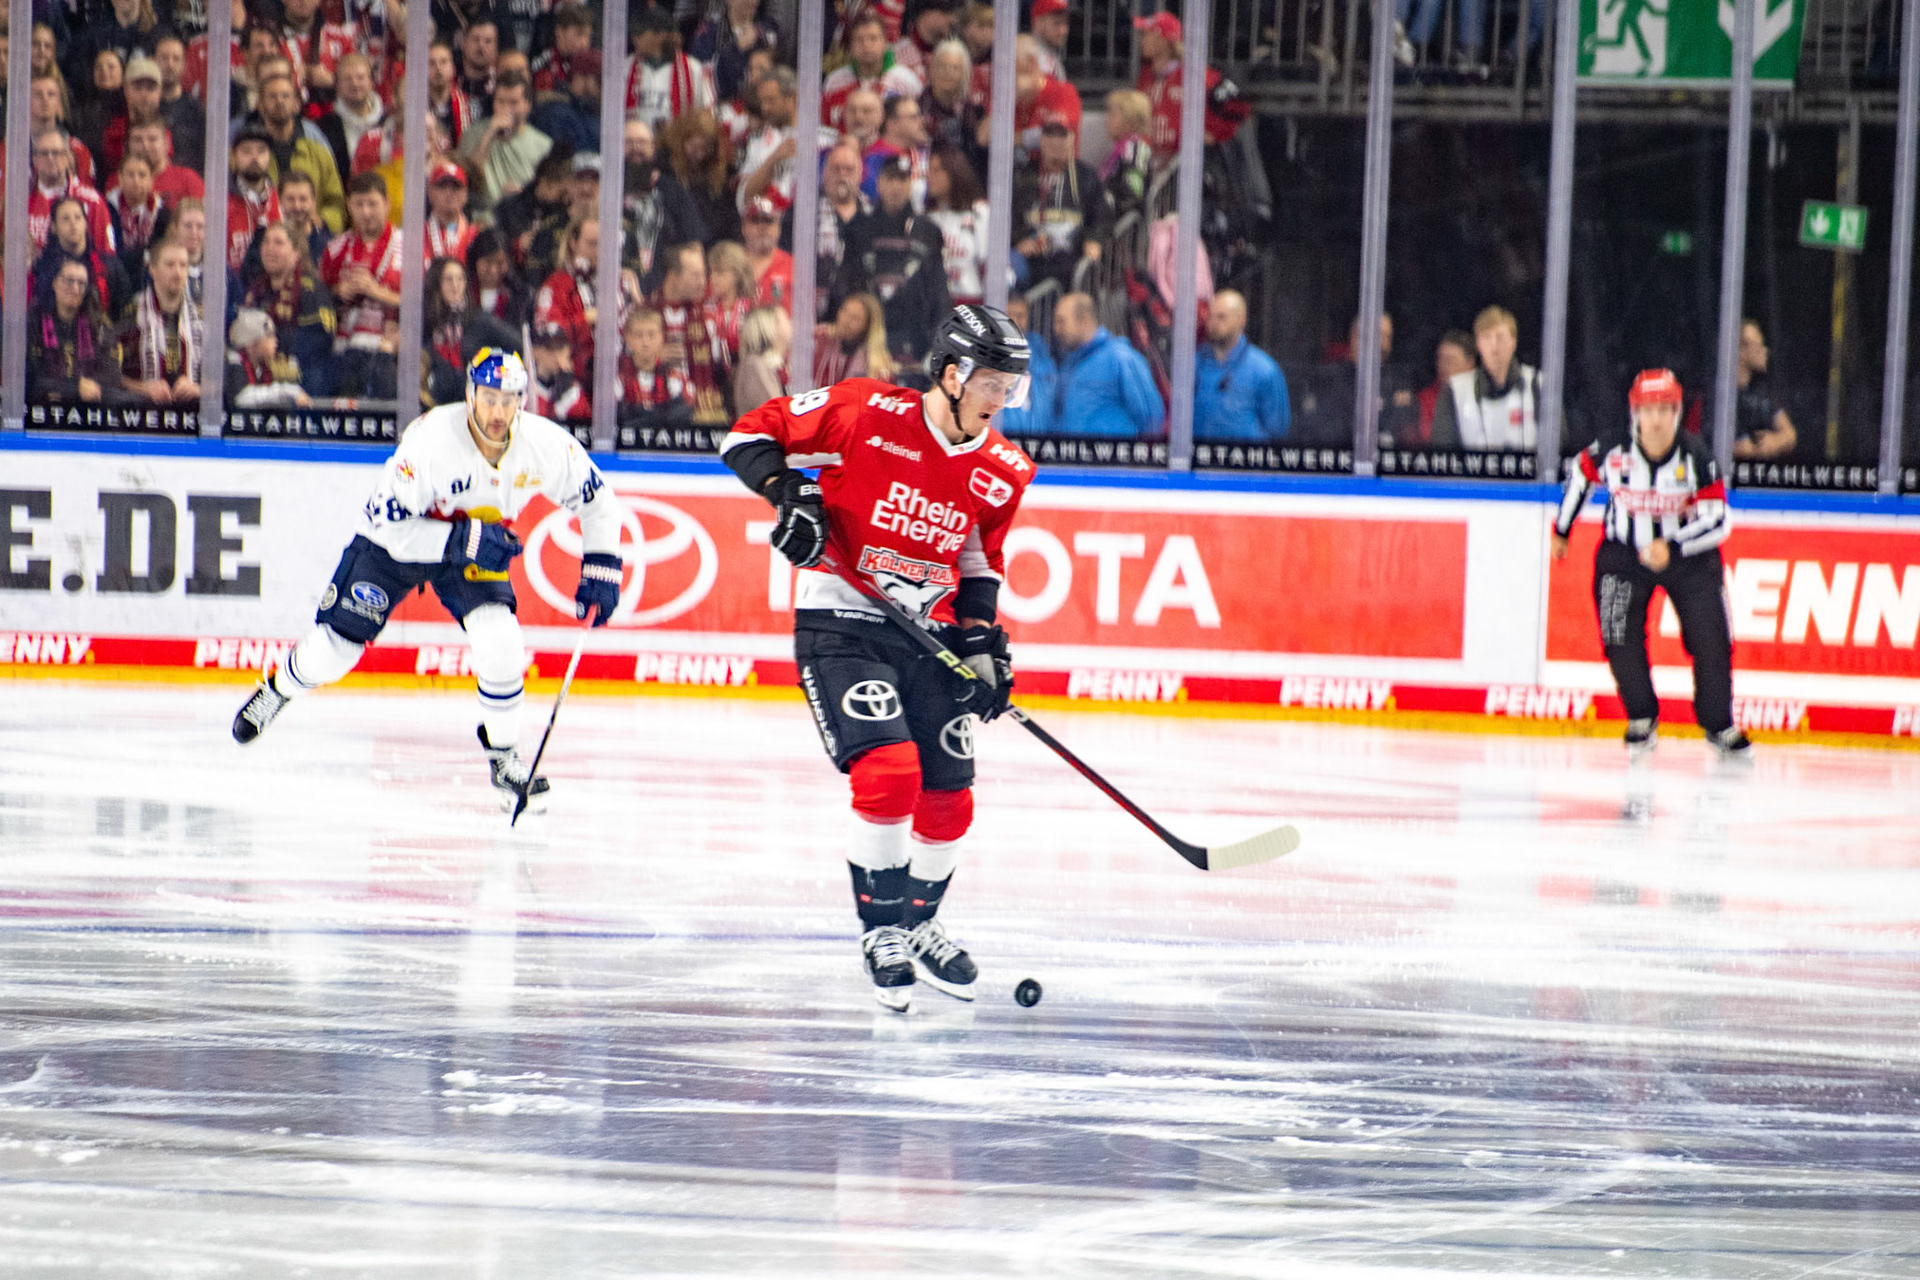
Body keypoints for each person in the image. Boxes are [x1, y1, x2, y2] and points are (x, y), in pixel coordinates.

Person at [719, 303, 1037, 1011]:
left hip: (926, 633)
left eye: (1011, 388)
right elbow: (746, 435)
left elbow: (979, 555)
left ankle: (920, 924)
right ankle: (881, 931)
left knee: (951, 798)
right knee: (891, 771)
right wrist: (791, 495)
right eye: (992, 384)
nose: (1002, 401)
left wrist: (981, 638)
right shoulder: (865, 411)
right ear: (952, 376)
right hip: (843, 619)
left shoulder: (1004, 469)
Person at [232, 348, 626, 815]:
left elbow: (599, 502)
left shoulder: (544, 445)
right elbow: (394, 529)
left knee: (501, 641)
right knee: (334, 650)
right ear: (469, 394)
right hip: (396, 545)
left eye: (509, 399)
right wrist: (465, 539)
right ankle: (279, 690)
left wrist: (602, 566)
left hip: (472, 546)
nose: (499, 412)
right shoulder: (430, 443)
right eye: (489, 398)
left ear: (522, 400)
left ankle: (504, 759)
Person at [1552, 368, 1747, 756]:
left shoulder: (1697, 458)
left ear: (1676, 413)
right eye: (1647, 410)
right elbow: (1580, 474)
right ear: (1634, 413)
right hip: (1623, 554)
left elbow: (1719, 520)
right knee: (1618, 633)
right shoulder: (1612, 450)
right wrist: (1562, 528)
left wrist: (1672, 547)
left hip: (1688, 557)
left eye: (1664, 410)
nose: (1655, 420)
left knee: (1712, 639)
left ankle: (1719, 723)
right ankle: (1641, 715)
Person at [835, 154, 951, 367]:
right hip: (865, 343)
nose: (896, 187)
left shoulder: (928, 231)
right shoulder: (858, 228)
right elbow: (845, 285)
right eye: (890, 179)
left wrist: (939, 347)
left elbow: (939, 293)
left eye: (902, 180)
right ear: (878, 183)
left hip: (915, 344)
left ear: (911, 185)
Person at [320, 171, 402, 398]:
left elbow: (423, 303)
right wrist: (337, 292)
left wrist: (377, 292)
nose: (366, 212)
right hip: (344, 352)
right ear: (349, 206)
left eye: (373, 204)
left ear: (387, 204)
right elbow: (317, 297)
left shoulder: (408, 247)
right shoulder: (335, 248)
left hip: (390, 351)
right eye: (359, 204)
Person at [1132, 12, 1248, 157]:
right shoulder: (1146, 76)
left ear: (1162, 40)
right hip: (1154, 160)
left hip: (1188, 163)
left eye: (1146, 34)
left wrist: (1214, 135)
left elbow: (1239, 106)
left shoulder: (1195, 75)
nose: (1141, 40)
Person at [1011, 121, 1108, 293]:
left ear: (1071, 146)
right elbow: (1010, 215)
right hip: (1033, 255)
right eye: (1052, 150)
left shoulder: (1086, 176)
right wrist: (1020, 239)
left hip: (1072, 255)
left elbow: (1100, 215)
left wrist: (1093, 239)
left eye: (1063, 150)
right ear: (1042, 144)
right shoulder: (1023, 176)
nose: (1058, 157)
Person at [1050, 291, 1163, 437]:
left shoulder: (1121, 358)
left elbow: (1151, 416)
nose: (1056, 329)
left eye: (1061, 321)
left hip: (1113, 458)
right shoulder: (1069, 364)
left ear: (1085, 321)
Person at [242, 219, 336, 393]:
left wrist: (273, 343)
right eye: (266, 242)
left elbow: (320, 340)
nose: (270, 248)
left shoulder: (311, 290)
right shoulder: (255, 291)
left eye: (278, 243)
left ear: (297, 251)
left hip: (303, 380)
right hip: (260, 380)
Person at [246, 72, 345, 234]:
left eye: (285, 96)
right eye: (272, 96)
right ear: (260, 105)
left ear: (297, 104)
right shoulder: (245, 155)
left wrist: (322, 221)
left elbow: (337, 203)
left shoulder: (318, 153)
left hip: (313, 240)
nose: (279, 101)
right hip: (263, 239)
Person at [1430, 305, 1540, 451]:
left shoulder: (1538, 384)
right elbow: (1443, 453)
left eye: (1500, 337)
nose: (1494, 345)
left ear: (1513, 341)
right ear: (1478, 344)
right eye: (1486, 337)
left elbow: (1559, 446)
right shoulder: (1455, 390)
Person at [28, 256, 130, 405]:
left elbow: (111, 378)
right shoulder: (33, 321)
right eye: (69, 280)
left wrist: (85, 389)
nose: (75, 289)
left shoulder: (99, 324)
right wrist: (73, 388)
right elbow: (29, 378)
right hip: (42, 412)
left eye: (81, 283)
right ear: (55, 283)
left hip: (89, 412)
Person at [1193, 290, 1289, 441]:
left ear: (1241, 320)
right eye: (1210, 316)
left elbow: (1277, 430)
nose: (1213, 323)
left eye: (1221, 317)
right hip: (1197, 459)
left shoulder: (1264, 369)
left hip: (1242, 461)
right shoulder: (1193, 363)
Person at [460, 69, 550, 227]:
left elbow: (548, 193)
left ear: (527, 105)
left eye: (513, 102)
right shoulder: (473, 134)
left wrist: (522, 196)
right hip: (482, 220)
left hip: (523, 220)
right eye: (500, 101)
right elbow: (469, 177)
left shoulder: (544, 145)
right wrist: (489, 136)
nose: (506, 109)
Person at [120, 237, 203, 406]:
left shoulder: (202, 320)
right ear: (152, 269)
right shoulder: (131, 316)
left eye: (183, 265)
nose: (178, 272)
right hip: (142, 416)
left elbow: (223, 379)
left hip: (192, 419)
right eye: (170, 265)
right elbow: (109, 376)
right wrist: (143, 388)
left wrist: (198, 389)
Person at [35, 195, 133, 319]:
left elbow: (125, 311)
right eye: (65, 219)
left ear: (86, 223)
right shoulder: (44, 268)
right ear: (53, 227)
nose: (73, 224)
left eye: (78, 217)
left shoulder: (109, 265)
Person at [821, 11, 922, 131]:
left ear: (885, 43)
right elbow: (824, 126)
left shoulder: (906, 81)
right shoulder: (835, 81)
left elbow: (917, 127)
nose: (866, 45)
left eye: (873, 38)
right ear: (850, 46)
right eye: (859, 39)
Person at [624, 4, 715, 133]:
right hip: (636, 144)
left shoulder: (692, 68)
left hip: (677, 146)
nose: (634, 39)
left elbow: (707, 111)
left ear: (660, 35)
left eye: (640, 34)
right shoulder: (625, 67)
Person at [532, 216, 601, 385]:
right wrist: (585, 320)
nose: (597, 251)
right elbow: (546, 333)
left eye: (602, 244)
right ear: (573, 242)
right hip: (572, 378)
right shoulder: (556, 284)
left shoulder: (616, 283)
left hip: (611, 377)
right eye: (591, 244)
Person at [28, 125, 116, 256]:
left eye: (56, 153)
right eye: (44, 153)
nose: (50, 158)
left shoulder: (91, 201)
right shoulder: (19, 199)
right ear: (34, 159)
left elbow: (106, 258)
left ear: (67, 157)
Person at [661, 108, 740, 247]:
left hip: (716, 244)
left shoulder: (723, 172)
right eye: (694, 147)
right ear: (681, 141)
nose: (699, 155)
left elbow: (728, 218)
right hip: (679, 244)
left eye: (705, 148)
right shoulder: (665, 168)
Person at [924, 145, 988, 305]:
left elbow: (989, 265)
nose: (929, 176)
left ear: (954, 172)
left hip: (970, 304)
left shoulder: (979, 212)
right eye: (929, 170)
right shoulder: (925, 217)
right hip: (933, 305)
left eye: (937, 170)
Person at [1729, 319, 1799, 461]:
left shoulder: (1760, 392)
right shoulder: (1723, 396)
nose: (1765, 351)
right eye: (1759, 345)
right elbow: (1743, 449)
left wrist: (1775, 441)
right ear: (1741, 351)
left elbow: (1790, 433)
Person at [616, 308, 694, 430]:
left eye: (651, 335)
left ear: (661, 338)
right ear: (628, 338)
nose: (645, 342)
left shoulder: (675, 377)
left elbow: (684, 415)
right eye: (639, 335)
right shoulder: (618, 377)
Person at [919, 37, 985, 180]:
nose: (948, 72)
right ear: (933, 69)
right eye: (942, 66)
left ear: (965, 74)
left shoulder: (973, 112)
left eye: (955, 68)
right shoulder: (919, 107)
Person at [689, 0, 779, 103]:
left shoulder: (767, 31)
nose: (752, 1)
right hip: (721, 106)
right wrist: (736, 49)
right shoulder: (708, 32)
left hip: (761, 106)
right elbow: (703, 79)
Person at [317, 52, 385, 182]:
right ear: (337, 85)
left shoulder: (387, 122)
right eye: (347, 79)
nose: (355, 84)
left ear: (371, 82)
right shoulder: (326, 126)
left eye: (360, 77)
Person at [227, 306, 311, 408]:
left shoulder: (262, 368)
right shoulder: (234, 362)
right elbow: (242, 397)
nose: (275, 341)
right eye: (269, 336)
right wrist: (285, 391)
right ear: (250, 343)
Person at [106, 151, 171, 281]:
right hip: (116, 278)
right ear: (120, 178)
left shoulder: (163, 214)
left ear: (151, 180)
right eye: (130, 175)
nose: (136, 181)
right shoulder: (107, 210)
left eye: (142, 175)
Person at [994, 293, 1053, 435]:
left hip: (1040, 445)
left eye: (1020, 316)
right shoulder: (990, 354)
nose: (1015, 321)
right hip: (1004, 441)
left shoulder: (1042, 354)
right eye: (1010, 315)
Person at [227, 125, 284, 271]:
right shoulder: (221, 201)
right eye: (246, 151)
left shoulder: (281, 199)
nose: (255, 157)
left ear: (269, 156)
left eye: (261, 150)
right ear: (233, 156)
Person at [814, 292, 895, 387]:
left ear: (867, 326)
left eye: (855, 318)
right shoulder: (820, 337)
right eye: (844, 311)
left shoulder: (877, 362)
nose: (845, 320)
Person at [1099, 89, 1155, 219]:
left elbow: (1132, 196)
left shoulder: (1136, 149)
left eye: (1112, 115)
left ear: (1130, 120)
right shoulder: (1120, 149)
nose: (1106, 120)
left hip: (1121, 227)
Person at [526, 321, 590, 427]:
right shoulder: (523, 389)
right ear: (535, 351)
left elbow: (584, 429)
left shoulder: (573, 393)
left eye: (561, 349)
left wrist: (564, 403)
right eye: (551, 349)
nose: (557, 356)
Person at [1416, 330, 1475, 445]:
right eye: (1441, 359)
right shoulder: (1424, 399)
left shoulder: (1482, 397)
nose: (1444, 366)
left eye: (1451, 360)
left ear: (1470, 364)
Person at [731, 304, 789, 415]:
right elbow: (774, 414)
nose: (791, 323)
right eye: (785, 319)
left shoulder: (776, 366)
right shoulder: (754, 367)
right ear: (772, 328)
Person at [741, 196, 792, 311]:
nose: (762, 227)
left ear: (778, 227)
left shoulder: (795, 267)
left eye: (768, 221)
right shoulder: (730, 263)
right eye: (755, 220)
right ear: (743, 227)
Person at [892, 0, 957, 82]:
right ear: (926, 13)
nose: (953, 19)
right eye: (946, 12)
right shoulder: (898, 54)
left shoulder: (951, 55)